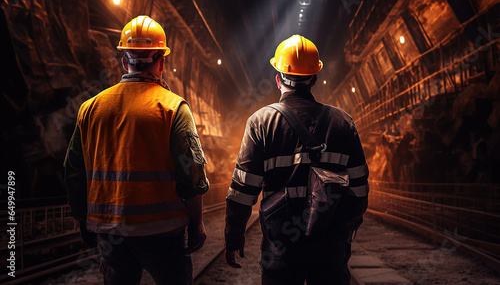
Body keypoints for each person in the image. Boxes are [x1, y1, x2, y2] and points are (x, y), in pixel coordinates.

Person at [64, 15, 209, 285]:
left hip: (110, 233)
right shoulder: (173, 108)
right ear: (162, 62)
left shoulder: (90, 108)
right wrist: (197, 223)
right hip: (163, 233)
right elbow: (192, 170)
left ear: (123, 61)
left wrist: (82, 217)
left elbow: (73, 171)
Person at [224, 35, 369, 284]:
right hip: (329, 246)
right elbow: (360, 189)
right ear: (314, 78)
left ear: (278, 79)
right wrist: (344, 231)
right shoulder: (343, 123)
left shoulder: (260, 122)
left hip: (280, 245)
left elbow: (243, 190)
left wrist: (234, 237)